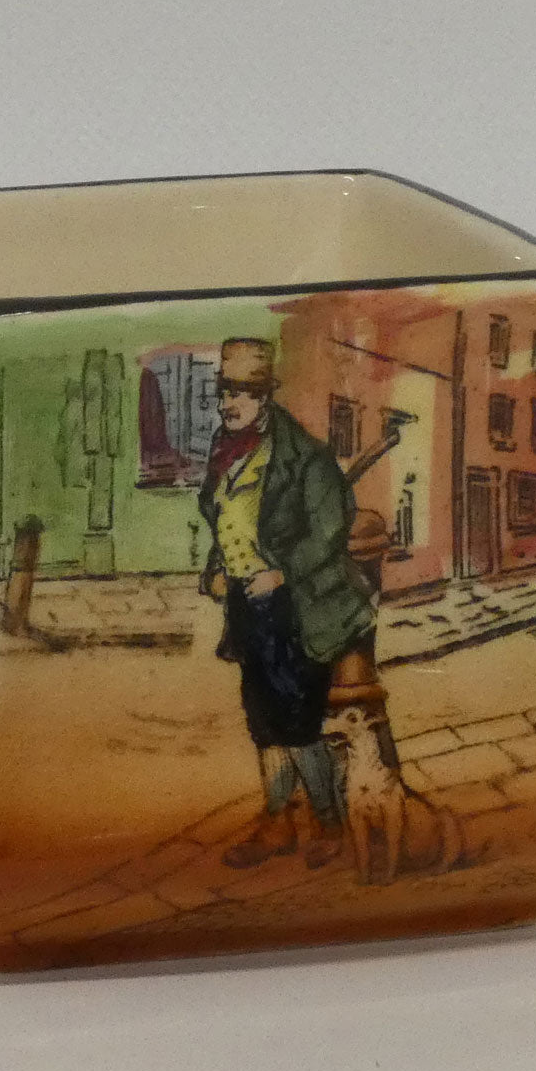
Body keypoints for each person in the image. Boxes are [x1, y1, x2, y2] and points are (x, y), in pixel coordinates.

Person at [199, 338, 377, 870]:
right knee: (262, 720)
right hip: (248, 607)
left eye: (241, 394)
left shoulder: (305, 458)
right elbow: (229, 524)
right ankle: (278, 822)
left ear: (264, 399)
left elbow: (329, 531)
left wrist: (281, 573)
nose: (229, 404)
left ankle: (329, 822)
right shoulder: (226, 453)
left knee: (297, 722)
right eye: (225, 392)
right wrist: (216, 572)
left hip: (301, 608)